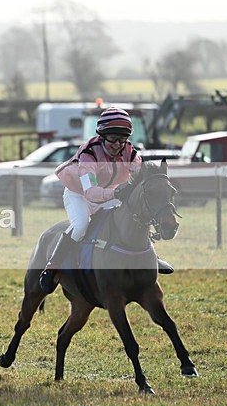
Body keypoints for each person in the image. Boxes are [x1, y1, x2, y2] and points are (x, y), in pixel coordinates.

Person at [38, 107, 174, 293]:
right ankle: (51, 267)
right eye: (113, 138)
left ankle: (151, 257)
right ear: (102, 135)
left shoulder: (130, 152)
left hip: (108, 193)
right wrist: (117, 194)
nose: (118, 144)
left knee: (131, 215)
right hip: (79, 194)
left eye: (123, 139)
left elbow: (139, 177)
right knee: (80, 225)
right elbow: (91, 192)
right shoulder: (89, 154)